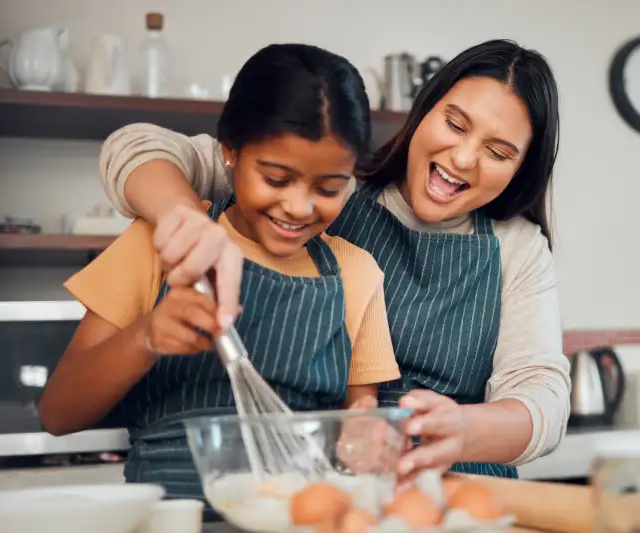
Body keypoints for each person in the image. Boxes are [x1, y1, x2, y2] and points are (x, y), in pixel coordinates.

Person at [95, 39, 571, 479]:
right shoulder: (327, 186)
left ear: (521, 167)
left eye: (497, 151)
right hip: (326, 486)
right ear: (423, 110)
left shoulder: (518, 247)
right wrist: (184, 217)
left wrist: (463, 430)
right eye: (455, 123)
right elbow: (136, 146)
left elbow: (542, 398)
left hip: (457, 489)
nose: (465, 158)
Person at [39, 43, 402, 512]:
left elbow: (360, 414)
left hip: (293, 517)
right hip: (170, 518)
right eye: (275, 179)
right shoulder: (163, 243)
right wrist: (145, 337)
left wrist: (367, 434)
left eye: (329, 188)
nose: (298, 206)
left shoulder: (357, 273)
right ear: (229, 151)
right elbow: (58, 413)